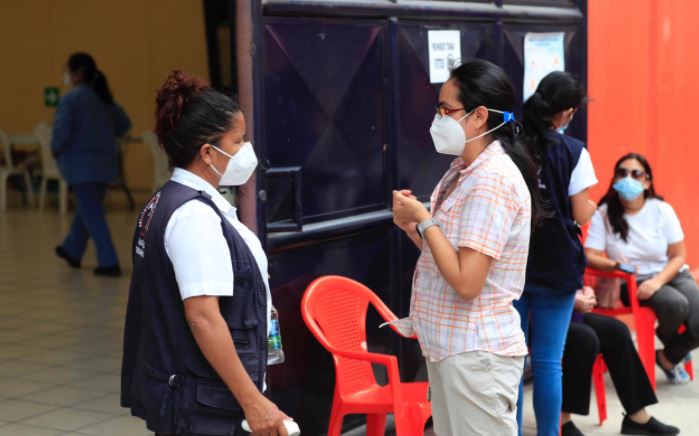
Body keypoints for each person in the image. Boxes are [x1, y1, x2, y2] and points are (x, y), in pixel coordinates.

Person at [121, 71, 291, 436]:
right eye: (238, 140)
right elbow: (202, 317)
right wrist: (253, 401)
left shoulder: (166, 200)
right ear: (208, 153)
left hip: (195, 391)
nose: (247, 150)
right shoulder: (193, 216)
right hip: (204, 404)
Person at [392, 59, 541, 435]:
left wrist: (425, 221)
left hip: (476, 352)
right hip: (450, 347)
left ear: (478, 116)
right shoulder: (462, 170)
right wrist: (416, 228)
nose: (438, 119)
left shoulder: (491, 180)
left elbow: (468, 281)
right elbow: (450, 256)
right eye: (438, 109)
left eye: (446, 110)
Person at [514, 71, 598, 436]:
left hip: (510, 264)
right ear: (566, 112)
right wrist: (591, 206)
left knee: (510, 363)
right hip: (557, 267)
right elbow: (581, 213)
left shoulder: (508, 145)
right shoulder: (574, 151)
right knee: (548, 363)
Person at [585, 153, 699, 384]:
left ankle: (667, 356)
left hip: (670, 274)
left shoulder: (661, 209)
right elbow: (590, 256)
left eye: (636, 174)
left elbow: (678, 255)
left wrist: (657, 282)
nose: (629, 178)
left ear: (647, 181)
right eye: (622, 173)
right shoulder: (604, 213)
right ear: (615, 178)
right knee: (675, 304)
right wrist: (615, 264)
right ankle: (675, 350)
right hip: (631, 280)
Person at [561, 287, 680, 436]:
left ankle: (637, 417)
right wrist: (571, 299)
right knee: (584, 338)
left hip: (569, 312)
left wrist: (585, 290)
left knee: (617, 331)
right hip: (541, 315)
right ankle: (561, 420)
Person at [52, 52, 131, 276]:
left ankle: (109, 262)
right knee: (87, 209)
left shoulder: (72, 99)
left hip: (81, 167)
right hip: (105, 166)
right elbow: (124, 125)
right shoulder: (104, 99)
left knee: (92, 213)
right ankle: (72, 250)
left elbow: (61, 133)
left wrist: (56, 149)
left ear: (76, 74)